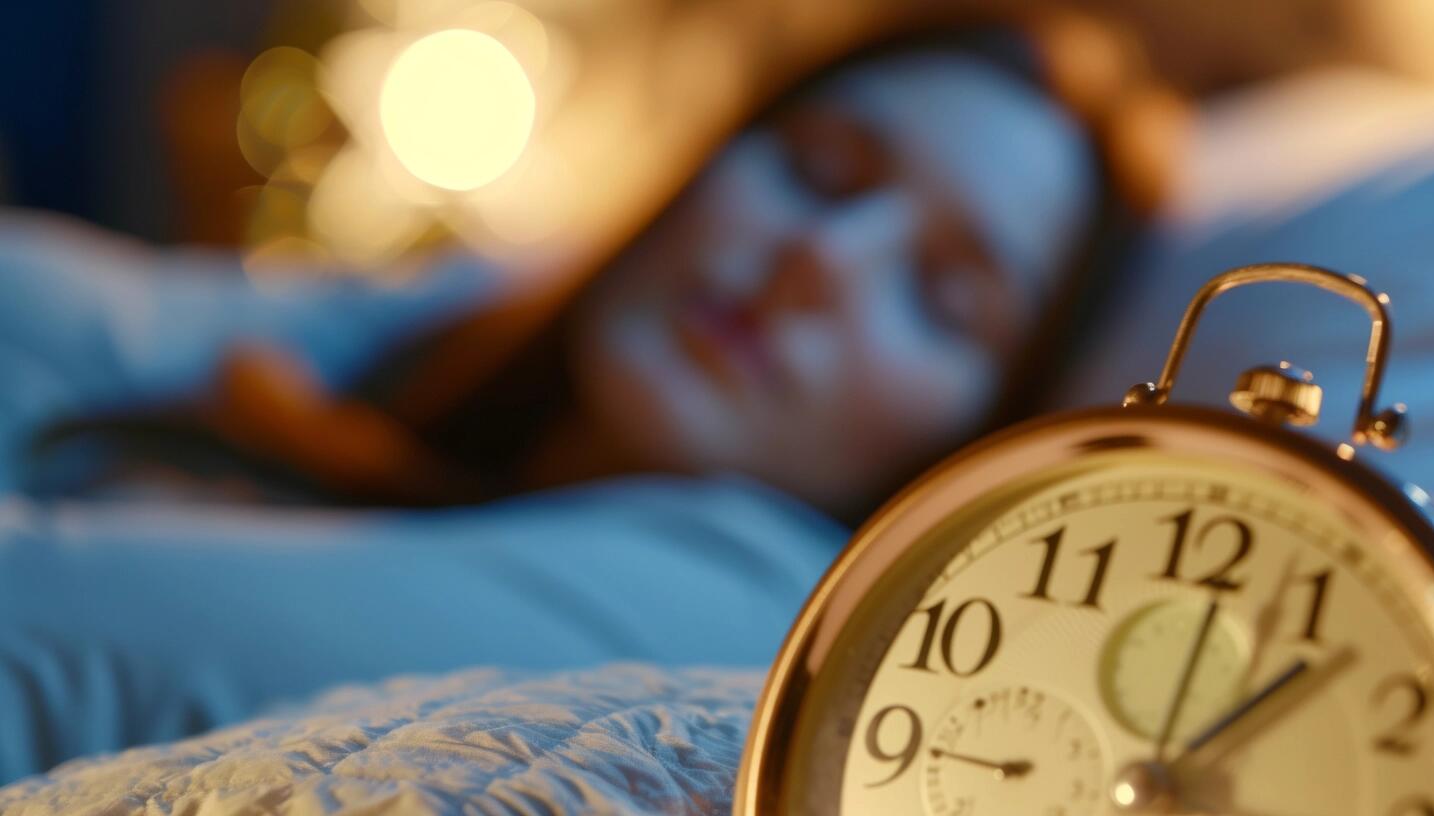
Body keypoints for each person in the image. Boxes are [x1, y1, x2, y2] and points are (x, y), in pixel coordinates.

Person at [0, 12, 1178, 782]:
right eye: (818, 170)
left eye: (941, 296)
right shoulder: (413, 343)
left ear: (970, 429)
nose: (818, 259)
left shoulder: (750, 599)